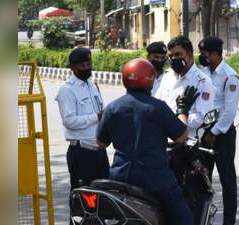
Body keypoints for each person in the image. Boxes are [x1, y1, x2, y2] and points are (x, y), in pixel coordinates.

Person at [96, 58, 198, 225]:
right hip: (155, 179)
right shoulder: (158, 107)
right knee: (184, 218)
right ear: (150, 80)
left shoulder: (113, 108)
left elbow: (100, 143)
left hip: (120, 178)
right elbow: (181, 136)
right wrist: (182, 111)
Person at [55, 47, 110, 223]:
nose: (87, 67)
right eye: (82, 65)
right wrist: (97, 117)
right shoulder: (67, 90)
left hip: (99, 152)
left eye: (89, 63)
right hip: (81, 154)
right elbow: (69, 121)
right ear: (72, 67)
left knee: (103, 200)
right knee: (82, 203)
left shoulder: (93, 85)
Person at [198, 36, 239, 225]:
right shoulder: (204, 73)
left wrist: (214, 133)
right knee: (201, 179)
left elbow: (230, 111)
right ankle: (201, 218)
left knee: (227, 180)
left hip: (222, 134)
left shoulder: (229, 76)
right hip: (204, 132)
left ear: (216, 53)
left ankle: (229, 221)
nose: (203, 56)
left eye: (205, 53)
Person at [155, 35, 215, 136]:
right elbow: (157, 104)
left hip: (187, 143)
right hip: (164, 139)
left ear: (190, 54)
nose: (174, 59)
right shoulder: (167, 76)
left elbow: (201, 117)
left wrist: (177, 117)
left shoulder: (202, 82)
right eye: (171, 56)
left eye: (178, 54)